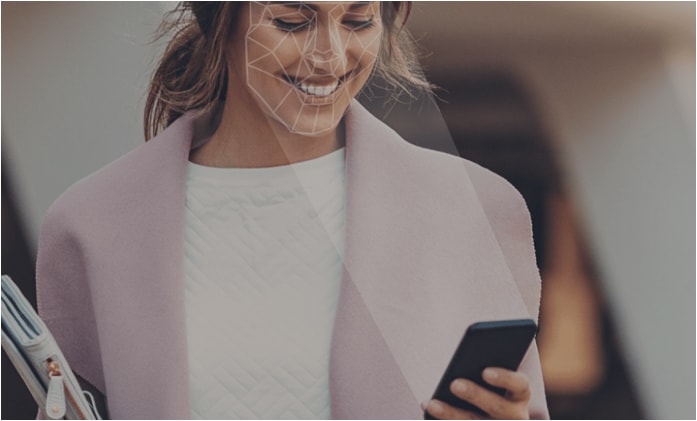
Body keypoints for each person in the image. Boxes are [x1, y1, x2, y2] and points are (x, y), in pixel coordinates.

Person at [36, 2, 548, 419]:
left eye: (357, 19)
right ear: (222, 20)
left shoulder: (474, 210)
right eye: (291, 21)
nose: (328, 54)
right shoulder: (90, 226)